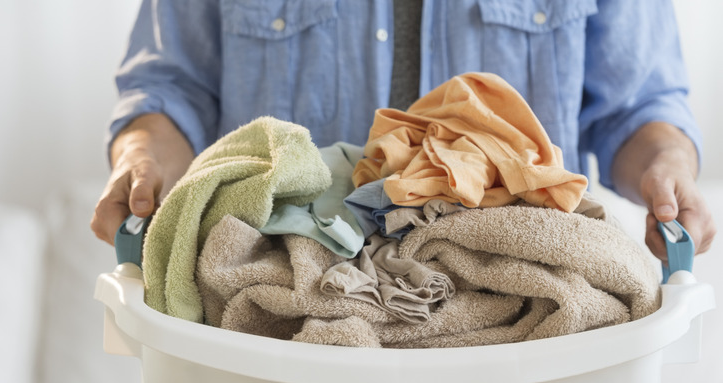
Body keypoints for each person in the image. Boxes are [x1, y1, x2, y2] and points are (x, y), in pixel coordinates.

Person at [91, 0, 715, 263]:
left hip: (519, 344)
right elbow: (172, 92)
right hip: (278, 330)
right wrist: (143, 157)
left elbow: (636, 109)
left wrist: (668, 166)